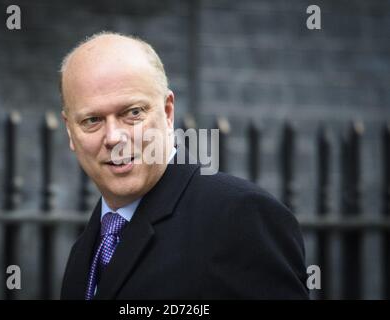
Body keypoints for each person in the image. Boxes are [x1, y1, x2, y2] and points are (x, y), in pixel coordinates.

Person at [59, 31, 309, 299]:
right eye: (92, 120)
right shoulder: (84, 251)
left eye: (132, 113)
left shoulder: (238, 218)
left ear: (167, 112)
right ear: (70, 131)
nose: (113, 138)